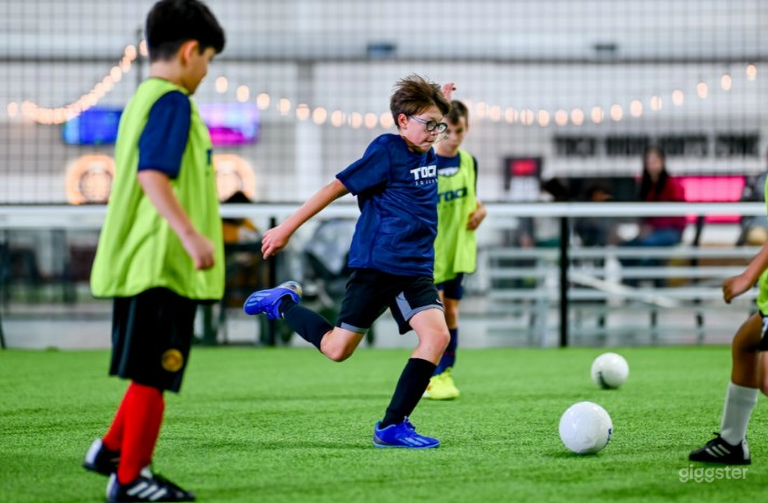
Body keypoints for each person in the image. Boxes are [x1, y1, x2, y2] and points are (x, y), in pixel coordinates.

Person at [244, 74, 454, 449]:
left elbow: (433, 120)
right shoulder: (387, 151)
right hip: (377, 266)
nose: (435, 133)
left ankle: (392, 426)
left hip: (415, 268)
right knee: (337, 350)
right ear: (402, 122)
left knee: (437, 336)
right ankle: (283, 303)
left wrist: (440, 103)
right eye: (428, 124)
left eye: (439, 125)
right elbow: (333, 188)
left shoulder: (427, 147)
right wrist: (286, 229)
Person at [82, 1, 225, 501]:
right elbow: (152, 175)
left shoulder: (144, 97)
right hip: (160, 262)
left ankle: (109, 451)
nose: (207, 71)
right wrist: (190, 235)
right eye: (208, 59)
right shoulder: (172, 102)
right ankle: (130, 478)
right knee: (154, 373)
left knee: (145, 367)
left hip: (147, 260)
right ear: (190, 52)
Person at [423, 100, 486, 400]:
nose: (453, 137)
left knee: (450, 310)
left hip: (458, 251)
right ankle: (428, 373)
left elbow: (473, 200)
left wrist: (480, 211)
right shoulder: (425, 161)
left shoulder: (469, 163)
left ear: (467, 129)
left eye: (459, 131)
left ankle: (445, 371)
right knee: (432, 315)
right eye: (447, 130)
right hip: (428, 252)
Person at [621, 146, 687, 284]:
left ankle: (649, 288)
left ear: (662, 162)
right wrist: (644, 227)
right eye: (649, 161)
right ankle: (637, 288)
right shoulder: (645, 185)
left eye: (655, 160)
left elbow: (675, 216)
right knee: (627, 250)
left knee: (646, 250)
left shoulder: (672, 185)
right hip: (650, 233)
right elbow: (643, 214)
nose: (652, 164)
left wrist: (651, 227)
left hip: (670, 231)